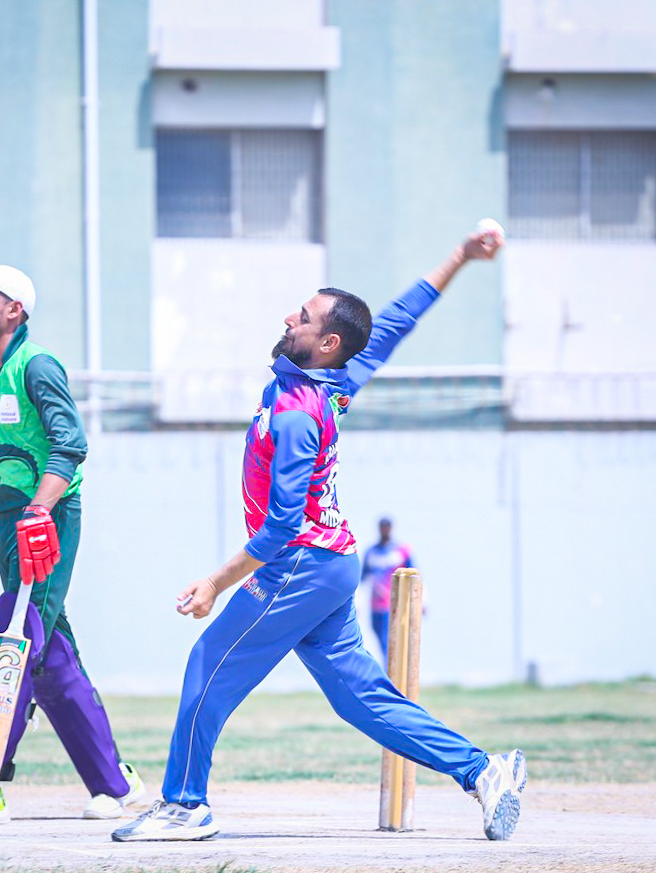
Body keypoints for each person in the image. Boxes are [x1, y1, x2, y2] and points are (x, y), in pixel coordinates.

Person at [112, 226, 526, 844]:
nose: (289, 318)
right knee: (359, 696)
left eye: (302, 317)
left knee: (208, 664)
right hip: (330, 562)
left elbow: (281, 524)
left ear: (327, 343)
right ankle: (483, 770)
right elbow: (398, 320)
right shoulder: (336, 378)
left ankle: (184, 806)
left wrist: (216, 584)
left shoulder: (297, 412)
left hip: (299, 565)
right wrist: (460, 256)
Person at [0, 265, 144, 824]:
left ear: (14, 310)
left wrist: (40, 510)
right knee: (49, 654)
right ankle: (116, 786)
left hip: (48, 518)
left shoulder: (36, 366)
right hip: (5, 525)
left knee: (11, 639)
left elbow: (71, 444)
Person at [360, 517, 413, 663]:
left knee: (388, 640)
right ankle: (388, 667)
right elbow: (363, 578)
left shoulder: (401, 551)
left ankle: (389, 671)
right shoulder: (371, 552)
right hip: (375, 605)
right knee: (379, 638)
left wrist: (421, 601)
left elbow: (414, 574)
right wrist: (358, 602)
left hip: (393, 604)